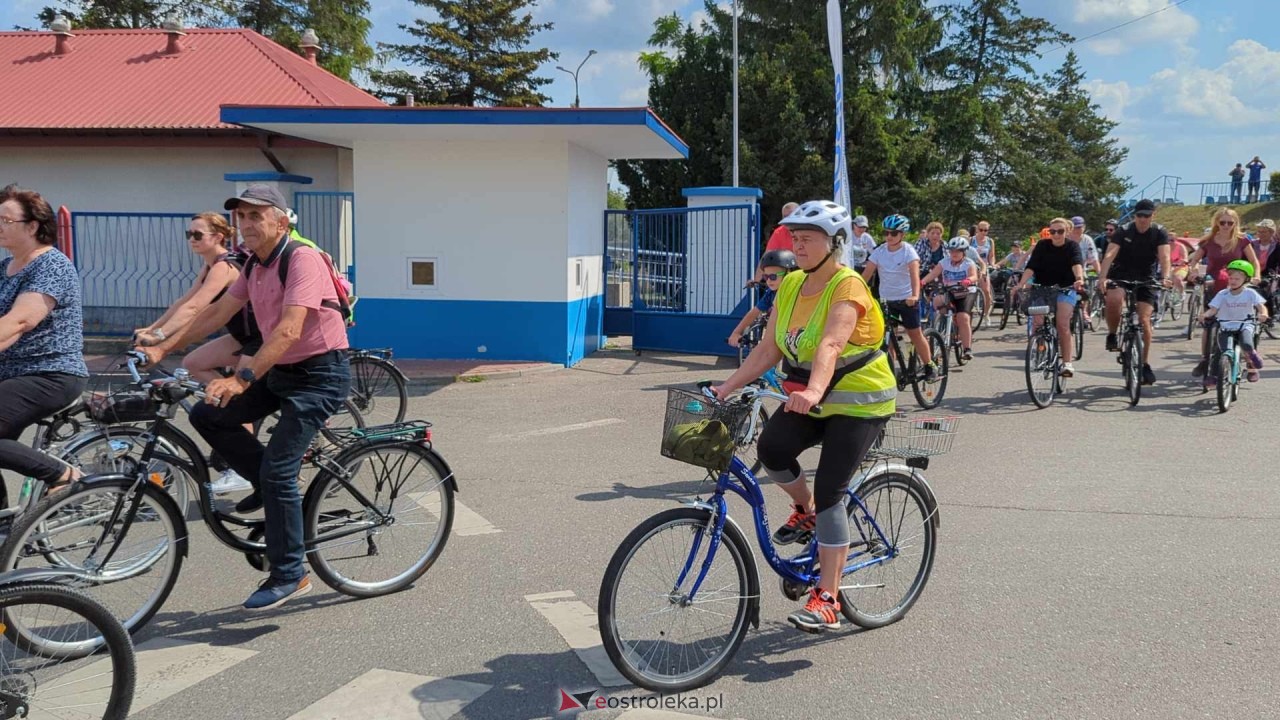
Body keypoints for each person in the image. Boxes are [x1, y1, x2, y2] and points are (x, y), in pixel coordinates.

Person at [137, 184, 351, 612]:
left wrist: (240, 379)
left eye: (256, 216)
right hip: (281, 371)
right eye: (241, 217)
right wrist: (164, 347)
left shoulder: (300, 258)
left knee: (277, 470)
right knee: (208, 416)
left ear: (280, 219)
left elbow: (289, 330)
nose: (247, 224)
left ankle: (292, 573)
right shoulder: (254, 264)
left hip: (318, 375)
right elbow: (216, 314)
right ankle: (274, 492)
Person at [712, 200, 895, 633]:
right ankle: (804, 509)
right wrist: (726, 386)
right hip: (812, 399)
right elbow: (769, 348)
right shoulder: (791, 284)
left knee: (832, 488)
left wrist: (813, 389)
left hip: (858, 401)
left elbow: (831, 344)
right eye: (795, 237)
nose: (799, 244)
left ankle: (828, 596)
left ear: (834, 243)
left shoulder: (847, 286)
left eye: (808, 238)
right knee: (772, 448)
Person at [0, 185, 90, 506]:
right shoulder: (5, 268)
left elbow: (22, 320)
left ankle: (64, 477)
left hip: (50, 374)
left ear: (32, 226)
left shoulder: (51, 265)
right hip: (12, 374)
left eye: (5, 220)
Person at [1097, 199, 1172, 385]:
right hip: (1121, 272)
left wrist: (1166, 277)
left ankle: (1144, 364)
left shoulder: (1159, 232)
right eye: (1140, 215)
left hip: (1147, 275)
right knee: (1114, 299)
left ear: (1153, 215)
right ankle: (1113, 334)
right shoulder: (1123, 231)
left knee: (1145, 319)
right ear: (1134, 215)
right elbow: (1110, 254)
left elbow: (1164, 256)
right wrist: (1102, 278)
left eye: (1147, 215)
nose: (1143, 219)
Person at [1187, 207, 1260, 378]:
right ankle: (1205, 359)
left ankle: (1250, 361)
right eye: (1222, 222)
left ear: (1235, 224)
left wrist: (1256, 276)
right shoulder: (1208, 241)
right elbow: (1195, 260)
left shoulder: (1242, 240)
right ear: (1216, 223)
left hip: (1237, 285)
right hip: (1215, 285)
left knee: (1245, 323)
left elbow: (1254, 261)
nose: (1226, 226)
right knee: (1210, 324)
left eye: (1230, 222)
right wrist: (1194, 270)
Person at [862, 214, 935, 380]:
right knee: (887, 336)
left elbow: (914, 275)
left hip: (906, 299)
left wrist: (915, 295)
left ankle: (929, 364)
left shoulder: (908, 251)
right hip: (886, 300)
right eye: (886, 233)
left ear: (902, 234)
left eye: (893, 233)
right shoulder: (879, 251)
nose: (888, 236)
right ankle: (889, 374)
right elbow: (865, 276)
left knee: (914, 333)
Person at [1014, 217, 1086, 377]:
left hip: (1065, 289)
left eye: (1060, 231)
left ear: (1067, 232)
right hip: (1043, 289)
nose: (1056, 234)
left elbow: (1076, 264)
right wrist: (1021, 284)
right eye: (1053, 231)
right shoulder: (1042, 245)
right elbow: (1031, 267)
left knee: (1062, 324)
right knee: (1037, 321)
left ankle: (1067, 363)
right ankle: (1040, 348)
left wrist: (1079, 279)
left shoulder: (1072, 246)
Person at [1200, 259, 1268, 383]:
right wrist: (1205, 315)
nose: (1233, 281)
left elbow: (1261, 306)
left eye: (1237, 279)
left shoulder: (1250, 293)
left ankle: (1253, 359)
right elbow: (1213, 309)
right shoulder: (1223, 294)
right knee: (1220, 351)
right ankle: (1214, 376)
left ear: (1246, 280)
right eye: (1231, 278)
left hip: (1245, 324)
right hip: (1225, 325)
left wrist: (1263, 314)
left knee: (1247, 344)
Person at [921, 237, 979, 360]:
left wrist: (968, 280)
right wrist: (922, 282)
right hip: (950, 291)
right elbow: (933, 274)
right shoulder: (944, 262)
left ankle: (967, 348)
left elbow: (974, 276)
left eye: (958, 251)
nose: (954, 254)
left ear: (964, 252)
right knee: (937, 301)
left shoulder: (969, 263)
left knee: (963, 317)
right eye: (952, 251)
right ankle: (940, 328)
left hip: (966, 292)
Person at [728, 250, 795, 348]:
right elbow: (754, 312)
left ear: (788, 274)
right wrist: (736, 332)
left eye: (773, 276)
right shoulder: (771, 293)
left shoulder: (796, 292)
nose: (768, 281)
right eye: (765, 276)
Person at [1069, 217, 1100, 324]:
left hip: (1081, 270)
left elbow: (1094, 258)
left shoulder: (1087, 240)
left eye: (1080, 227)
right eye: (1075, 227)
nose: (1077, 230)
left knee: (1085, 290)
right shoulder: (1065, 238)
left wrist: (1101, 274)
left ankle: (1084, 311)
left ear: (1084, 227)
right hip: (1065, 269)